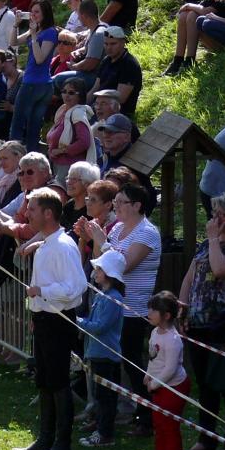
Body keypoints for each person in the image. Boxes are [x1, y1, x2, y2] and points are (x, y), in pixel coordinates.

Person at [12, 187, 87, 450]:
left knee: (58, 383)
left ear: (48, 213)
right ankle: (44, 439)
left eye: (32, 209)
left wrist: (41, 291)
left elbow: (76, 287)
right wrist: (36, 311)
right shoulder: (47, 242)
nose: (27, 213)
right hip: (44, 319)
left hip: (59, 321)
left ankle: (62, 447)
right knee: (44, 381)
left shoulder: (64, 247)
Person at [178, 192, 225, 450]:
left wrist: (212, 240)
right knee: (205, 384)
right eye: (213, 212)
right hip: (198, 323)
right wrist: (182, 305)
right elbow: (190, 276)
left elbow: (222, 270)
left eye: (220, 213)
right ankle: (206, 437)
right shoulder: (206, 244)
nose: (215, 218)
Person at [86, 182, 161, 435]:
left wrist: (101, 240)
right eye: (115, 202)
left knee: (132, 364)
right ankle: (107, 414)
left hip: (133, 309)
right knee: (107, 364)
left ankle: (145, 418)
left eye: (120, 202)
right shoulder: (117, 228)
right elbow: (101, 263)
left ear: (137, 206)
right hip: (109, 304)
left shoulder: (148, 233)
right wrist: (97, 241)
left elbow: (123, 265)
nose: (115, 206)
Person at [79, 249, 127, 448]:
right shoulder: (102, 295)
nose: (95, 272)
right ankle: (100, 425)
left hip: (106, 355)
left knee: (106, 397)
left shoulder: (113, 298)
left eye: (99, 269)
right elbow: (94, 320)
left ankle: (105, 434)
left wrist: (78, 322)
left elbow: (99, 326)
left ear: (109, 273)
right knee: (100, 395)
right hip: (97, 352)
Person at [142, 291, 189, 450]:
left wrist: (155, 384)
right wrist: (148, 374)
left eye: (154, 310)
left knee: (169, 426)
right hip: (159, 387)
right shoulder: (155, 332)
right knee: (159, 424)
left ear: (167, 315)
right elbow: (153, 357)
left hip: (173, 388)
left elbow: (170, 369)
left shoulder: (173, 340)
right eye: (149, 309)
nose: (149, 313)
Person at [9, 0, 58, 152]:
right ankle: (27, 157)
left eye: (37, 12)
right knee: (32, 126)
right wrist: (16, 24)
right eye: (31, 12)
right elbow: (13, 42)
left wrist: (35, 36)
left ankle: (14, 157)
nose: (33, 15)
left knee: (19, 123)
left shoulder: (49, 32)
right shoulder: (36, 30)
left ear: (45, 13)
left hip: (34, 84)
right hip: (39, 84)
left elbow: (40, 59)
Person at [45, 78, 93, 180]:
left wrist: (60, 151)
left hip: (69, 166)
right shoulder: (64, 110)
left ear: (80, 95)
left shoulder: (77, 113)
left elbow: (84, 142)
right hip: (57, 164)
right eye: (64, 91)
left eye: (71, 93)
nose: (66, 95)